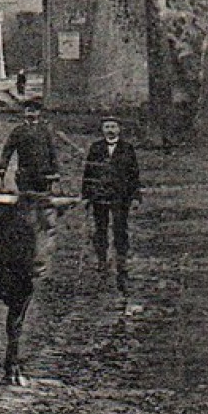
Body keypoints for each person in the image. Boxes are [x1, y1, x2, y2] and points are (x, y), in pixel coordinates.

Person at [81, 116, 141, 290]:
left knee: (120, 229)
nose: (110, 130)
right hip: (99, 196)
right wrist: (86, 195)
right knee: (100, 229)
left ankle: (121, 261)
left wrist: (136, 196)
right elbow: (88, 172)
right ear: (102, 129)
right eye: (107, 126)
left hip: (120, 196)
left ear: (119, 129)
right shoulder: (96, 148)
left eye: (113, 126)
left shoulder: (127, 148)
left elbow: (134, 173)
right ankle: (101, 259)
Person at [0, 99, 59, 193]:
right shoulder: (18, 131)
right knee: (25, 201)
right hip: (25, 174)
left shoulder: (45, 131)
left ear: (39, 113)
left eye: (34, 110)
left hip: (43, 174)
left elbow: (52, 151)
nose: (31, 113)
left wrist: (55, 171)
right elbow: (8, 150)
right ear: (24, 113)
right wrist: (2, 167)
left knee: (43, 201)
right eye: (28, 110)